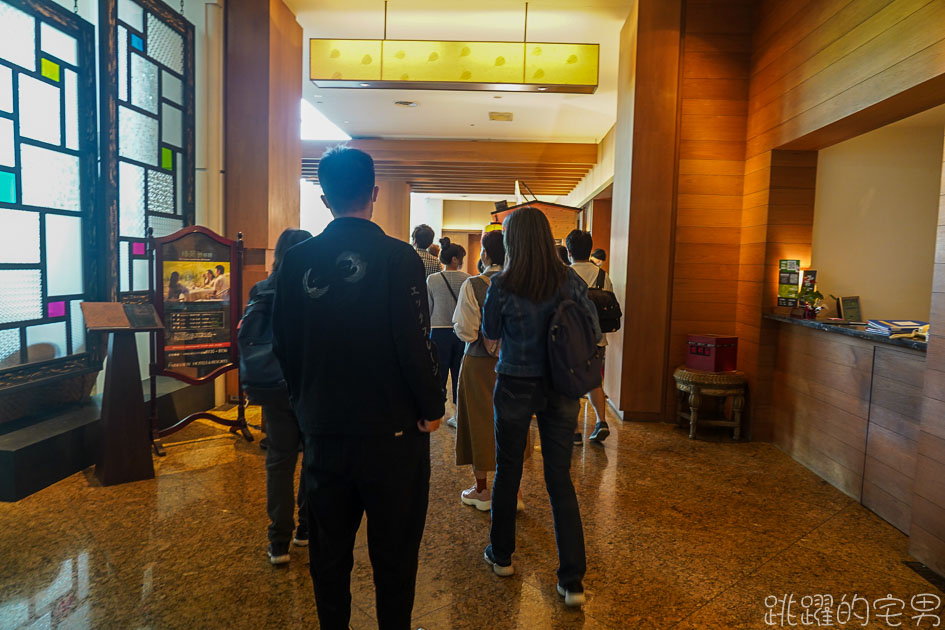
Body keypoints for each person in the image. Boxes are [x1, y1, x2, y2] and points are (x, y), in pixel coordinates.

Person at [273, 146, 444, 630]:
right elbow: (413, 341)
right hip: (394, 436)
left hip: (325, 433)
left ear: (324, 198)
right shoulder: (399, 258)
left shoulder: (296, 261)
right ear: (374, 193)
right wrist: (432, 405)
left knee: (329, 559)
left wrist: (306, 407)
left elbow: (282, 344)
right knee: (395, 559)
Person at [481, 206, 600, 608]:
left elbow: (490, 334)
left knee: (508, 470)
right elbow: (594, 331)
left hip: (515, 382)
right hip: (563, 387)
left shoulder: (502, 282)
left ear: (512, 241)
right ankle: (572, 580)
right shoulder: (568, 279)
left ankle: (501, 556)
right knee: (559, 480)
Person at [248, 228, 313, 565]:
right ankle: (305, 529)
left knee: (279, 462)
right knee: (312, 460)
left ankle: (278, 543)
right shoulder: (317, 288)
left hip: (273, 387)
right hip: (311, 387)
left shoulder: (261, 289)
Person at [452, 230, 526, 512]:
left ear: (485, 254)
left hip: (479, 362)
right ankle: (514, 491)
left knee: (478, 421)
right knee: (514, 423)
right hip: (516, 362)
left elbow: (467, 331)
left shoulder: (474, 284)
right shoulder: (523, 284)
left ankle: (482, 490)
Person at [567, 230, 613, 444]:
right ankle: (601, 421)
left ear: (569, 251)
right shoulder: (603, 276)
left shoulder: (565, 274)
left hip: (570, 339)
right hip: (597, 340)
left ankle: (575, 431)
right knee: (595, 380)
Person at [427, 237, 469, 427]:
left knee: (439, 373)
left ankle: (437, 410)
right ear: (454, 259)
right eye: (461, 257)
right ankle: (459, 413)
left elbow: (428, 308)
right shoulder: (468, 279)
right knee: (459, 373)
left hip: (438, 332)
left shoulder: (432, 280)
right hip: (460, 332)